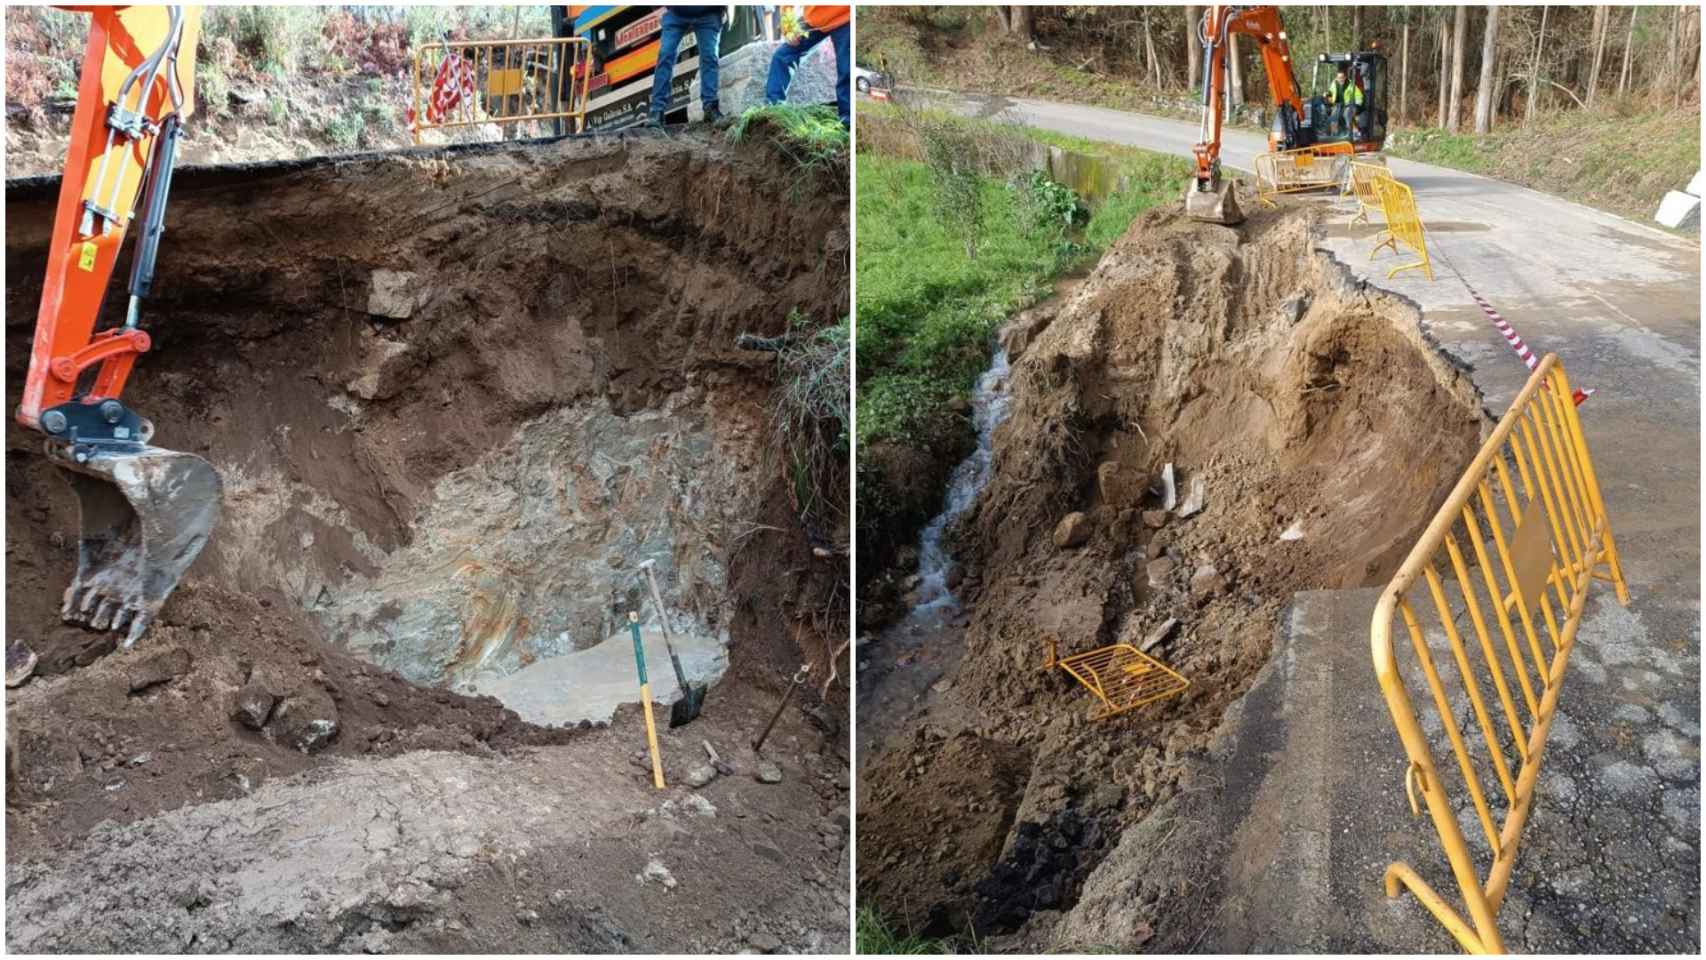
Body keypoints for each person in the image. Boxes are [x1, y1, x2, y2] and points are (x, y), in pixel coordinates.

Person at [765, 5, 851, 128]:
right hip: (815, 19)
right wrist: (789, 28)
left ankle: (847, 124)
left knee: (846, 70)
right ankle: (774, 110)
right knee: (783, 56)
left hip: (845, 17)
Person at [649, 6, 726, 128]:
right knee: (665, 55)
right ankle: (656, 112)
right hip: (676, 12)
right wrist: (658, 8)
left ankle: (710, 108)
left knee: (710, 57)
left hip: (709, 12)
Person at [1324, 67, 1364, 137]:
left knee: (1347, 114)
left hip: (1350, 105)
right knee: (1333, 117)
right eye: (1338, 77)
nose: (1340, 79)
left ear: (1345, 77)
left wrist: (1357, 105)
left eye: (1342, 77)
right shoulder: (1334, 83)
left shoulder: (1351, 84)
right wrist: (1327, 94)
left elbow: (1359, 95)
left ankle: (1354, 133)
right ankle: (1335, 135)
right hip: (1338, 105)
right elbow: (1330, 92)